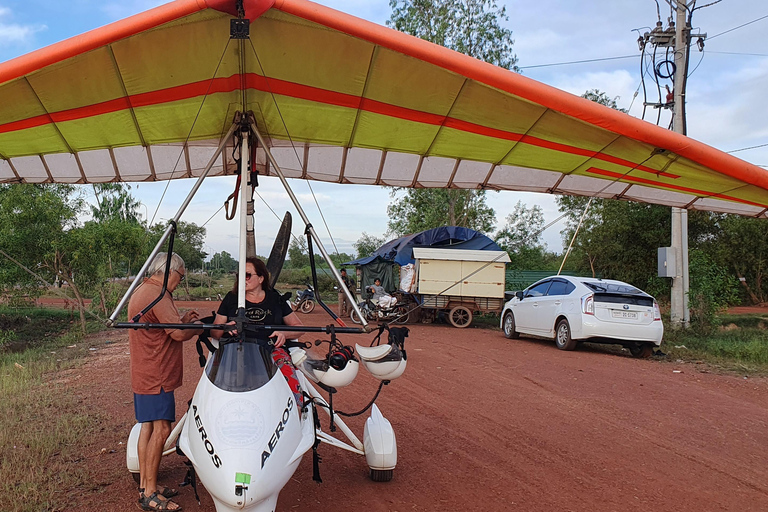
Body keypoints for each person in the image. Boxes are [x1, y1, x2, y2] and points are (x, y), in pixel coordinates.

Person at [128, 252, 203, 512]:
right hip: (157, 373)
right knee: (161, 429)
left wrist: (183, 320)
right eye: (180, 278)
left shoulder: (144, 289)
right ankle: (149, 494)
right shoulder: (157, 294)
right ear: (170, 272)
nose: (179, 283)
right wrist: (200, 327)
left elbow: (163, 327)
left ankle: (146, 486)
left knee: (147, 428)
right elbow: (179, 334)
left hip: (144, 370)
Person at [211, 258, 305, 407]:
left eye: (247, 275)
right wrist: (226, 328)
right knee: (218, 389)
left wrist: (284, 334)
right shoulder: (231, 298)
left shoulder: (275, 299)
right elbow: (215, 332)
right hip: (236, 351)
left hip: (271, 350)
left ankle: (295, 415)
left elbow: (298, 327)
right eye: (239, 276)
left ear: (261, 278)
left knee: (292, 389)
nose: (243, 279)